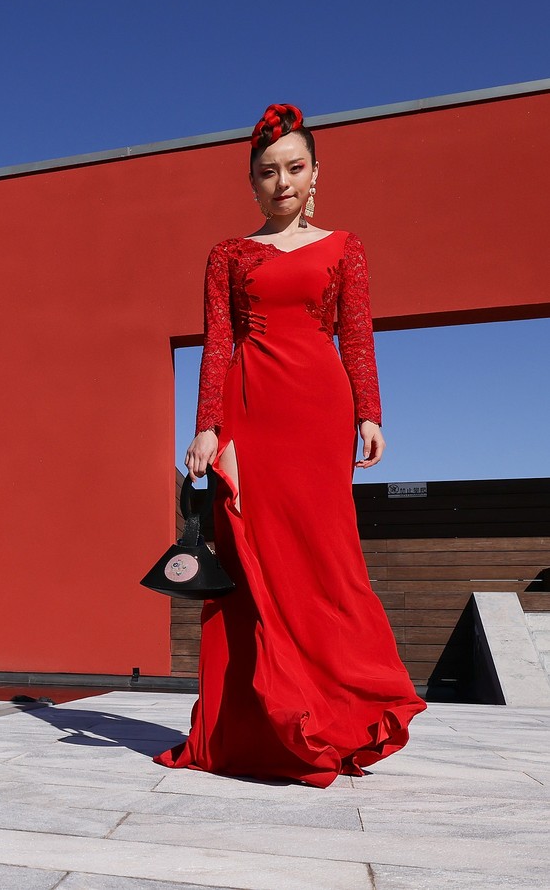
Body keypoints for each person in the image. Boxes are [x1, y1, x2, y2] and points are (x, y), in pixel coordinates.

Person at [154, 103, 427, 788]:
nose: (282, 182)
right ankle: (259, 728)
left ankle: (342, 716)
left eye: (294, 168)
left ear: (315, 175)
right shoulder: (227, 255)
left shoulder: (346, 248)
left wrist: (370, 412)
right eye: (268, 172)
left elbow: (356, 335)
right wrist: (207, 424)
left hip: (318, 413)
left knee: (327, 563)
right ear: (252, 182)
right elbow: (219, 344)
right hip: (250, 415)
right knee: (253, 563)